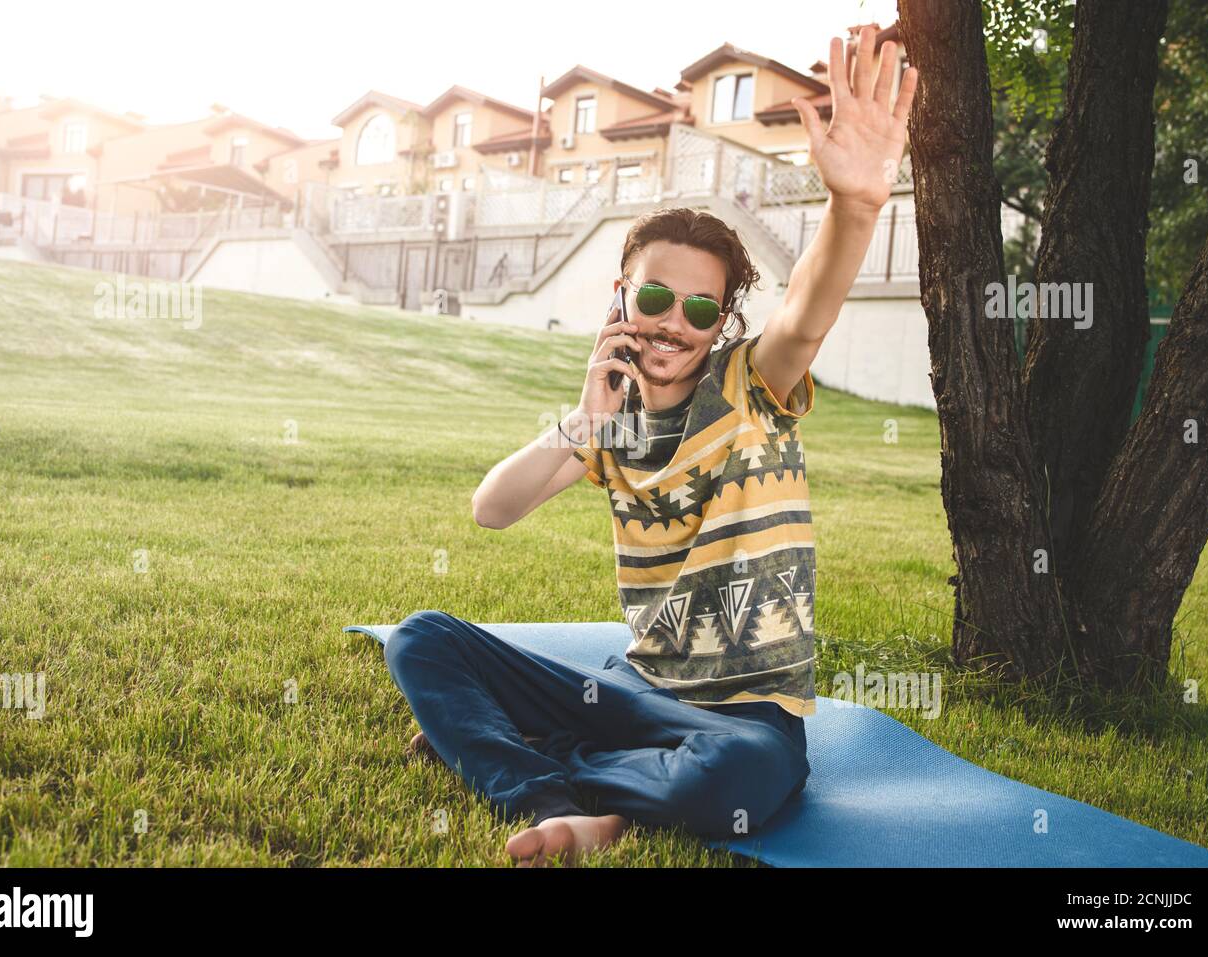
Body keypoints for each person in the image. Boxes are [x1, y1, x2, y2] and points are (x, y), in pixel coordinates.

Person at [384, 26, 917, 866]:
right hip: (624, 686)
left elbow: (808, 312)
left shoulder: (754, 384)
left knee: (734, 782)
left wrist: (854, 206)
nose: (675, 322)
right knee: (421, 637)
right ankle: (561, 787)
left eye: (701, 310)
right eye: (659, 296)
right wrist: (584, 421)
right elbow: (491, 510)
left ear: (723, 323)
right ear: (623, 292)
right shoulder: (609, 422)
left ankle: (543, 772)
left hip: (742, 717)